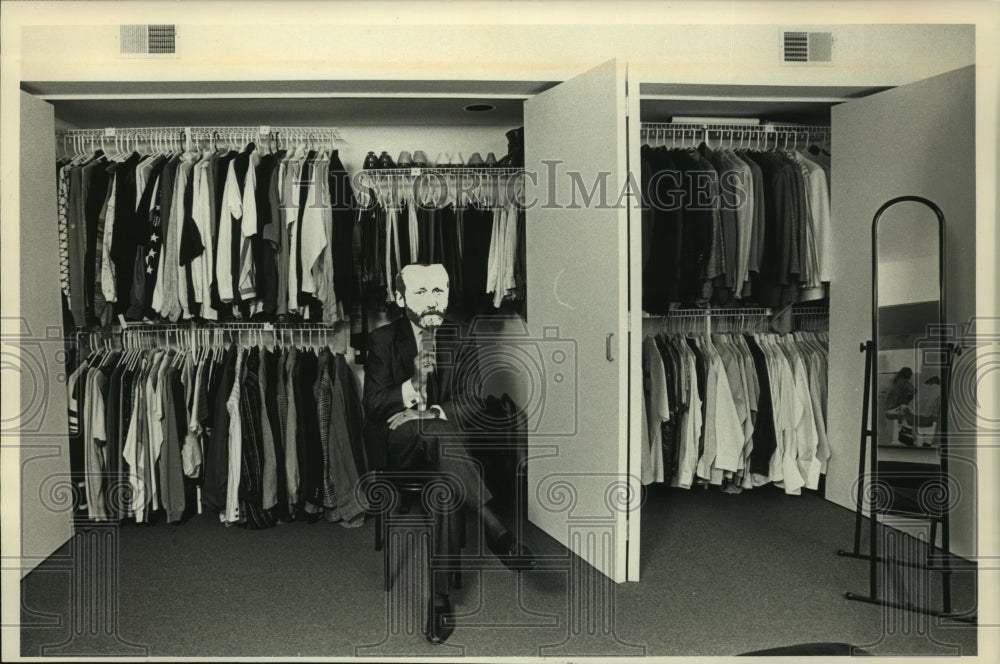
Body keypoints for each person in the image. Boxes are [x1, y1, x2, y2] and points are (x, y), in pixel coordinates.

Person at [362, 262, 534, 645]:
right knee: (432, 432)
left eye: (438, 291)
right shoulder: (381, 340)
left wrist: (429, 413)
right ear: (400, 298)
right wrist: (412, 387)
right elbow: (373, 405)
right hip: (398, 450)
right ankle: (495, 528)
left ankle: (438, 601)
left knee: (446, 486)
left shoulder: (462, 337)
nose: (431, 301)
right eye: (421, 292)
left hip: (448, 456)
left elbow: (473, 402)